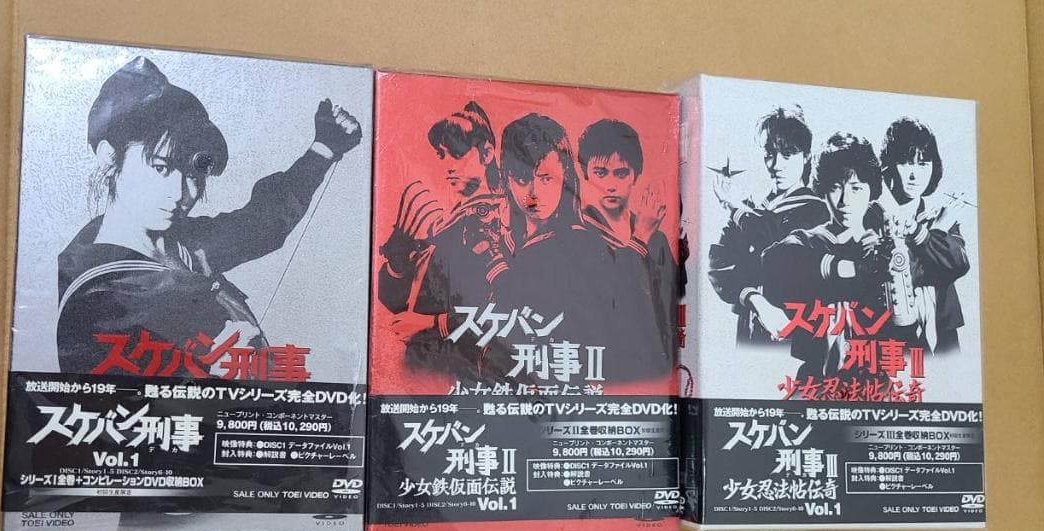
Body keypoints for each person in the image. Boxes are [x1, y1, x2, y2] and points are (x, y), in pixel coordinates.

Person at [57, 56, 362, 376]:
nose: (179, 193)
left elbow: (261, 223)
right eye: (160, 167)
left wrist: (324, 147)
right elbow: (108, 399)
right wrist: (210, 377)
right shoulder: (94, 295)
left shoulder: (181, 243)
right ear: (110, 158)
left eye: (192, 173)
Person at [483, 113, 669, 384]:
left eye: (546, 179)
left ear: (565, 177)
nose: (534, 193)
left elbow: (619, 312)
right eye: (521, 179)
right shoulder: (498, 236)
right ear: (506, 178)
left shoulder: (581, 242)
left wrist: (640, 239)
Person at [375, 101, 506, 380]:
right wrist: (397, 263)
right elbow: (396, 302)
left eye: (456, 153)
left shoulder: (497, 220)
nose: (447, 166)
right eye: (441, 155)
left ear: (486, 153)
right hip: (421, 369)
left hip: (464, 372)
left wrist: (429, 323)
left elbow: (501, 309)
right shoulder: (446, 223)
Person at [761, 132, 892, 380]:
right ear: (822, 190)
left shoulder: (884, 246)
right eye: (835, 188)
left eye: (856, 188)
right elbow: (772, 260)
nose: (845, 201)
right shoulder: (808, 240)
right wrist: (848, 268)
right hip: (815, 377)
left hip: (875, 377)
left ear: (871, 191)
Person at [708, 106, 829, 344]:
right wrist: (753, 298)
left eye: (787, 155)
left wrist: (735, 209)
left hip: (797, 331)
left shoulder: (818, 211)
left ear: (806, 156)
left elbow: (775, 243)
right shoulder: (752, 208)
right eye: (769, 154)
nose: (776, 165)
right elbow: (718, 265)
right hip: (750, 329)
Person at [577, 119, 675, 361]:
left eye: (621, 173)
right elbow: (606, 302)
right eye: (600, 173)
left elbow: (669, 309)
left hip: (653, 365)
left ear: (635, 175)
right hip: (600, 363)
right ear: (585, 173)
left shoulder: (657, 238)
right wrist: (640, 238)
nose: (610, 185)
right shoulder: (576, 233)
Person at [877, 117, 970, 353]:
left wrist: (928, 234)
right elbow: (900, 274)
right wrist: (933, 233)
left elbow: (958, 264)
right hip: (891, 336)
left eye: (923, 163)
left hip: (943, 333)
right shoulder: (873, 216)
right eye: (906, 162)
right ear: (889, 165)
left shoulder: (938, 215)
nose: (915, 175)